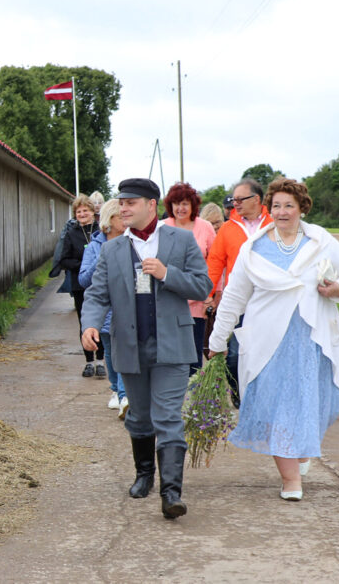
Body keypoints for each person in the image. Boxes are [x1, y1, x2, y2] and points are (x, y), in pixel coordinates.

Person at [208, 178, 339, 501]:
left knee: (311, 405)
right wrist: (217, 341)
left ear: (301, 208)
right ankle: (290, 479)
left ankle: (301, 451)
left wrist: (337, 288)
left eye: (288, 205)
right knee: (278, 407)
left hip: (312, 341)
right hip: (268, 343)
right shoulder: (254, 250)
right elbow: (234, 298)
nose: (281, 212)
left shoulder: (320, 241)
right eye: (276, 205)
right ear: (268, 207)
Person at [81, 178, 213, 520]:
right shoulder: (112, 249)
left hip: (172, 344)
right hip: (130, 346)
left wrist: (168, 274)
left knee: (167, 417)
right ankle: (144, 475)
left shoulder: (180, 240)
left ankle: (172, 494)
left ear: (151, 205)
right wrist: (90, 324)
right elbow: (97, 294)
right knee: (139, 417)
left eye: (131, 203)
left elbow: (202, 285)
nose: (123, 208)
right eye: (121, 203)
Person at [204, 179, 273, 406]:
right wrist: (208, 290)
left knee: (267, 354)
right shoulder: (228, 229)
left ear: (256, 199)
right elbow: (215, 262)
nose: (236, 203)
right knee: (233, 355)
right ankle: (238, 393)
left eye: (240, 199)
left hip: (269, 301)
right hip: (239, 301)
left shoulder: (274, 224)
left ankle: (263, 398)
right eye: (234, 199)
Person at [78, 198, 129, 418]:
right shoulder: (95, 245)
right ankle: (117, 391)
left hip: (126, 307)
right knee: (109, 351)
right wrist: (103, 258)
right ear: (110, 219)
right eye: (120, 216)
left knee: (126, 350)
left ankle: (125, 395)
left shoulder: (132, 242)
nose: (125, 219)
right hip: (105, 309)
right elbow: (83, 279)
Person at [162, 182, 217, 374]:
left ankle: (194, 401)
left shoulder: (206, 227)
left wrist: (210, 295)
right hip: (168, 301)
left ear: (193, 205)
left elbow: (215, 263)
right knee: (169, 356)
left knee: (194, 356)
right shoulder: (162, 227)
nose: (180, 208)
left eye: (185, 203)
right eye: (176, 203)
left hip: (196, 302)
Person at [59, 195, 106, 378]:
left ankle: (101, 361)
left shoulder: (100, 231)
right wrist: (84, 265)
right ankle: (89, 362)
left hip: (100, 283)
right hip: (80, 285)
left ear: (92, 211)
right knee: (85, 323)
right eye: (78, 212)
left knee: (102, 322)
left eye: (85, 210)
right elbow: (64, 259)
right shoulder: (71, 234)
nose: (82, 214)